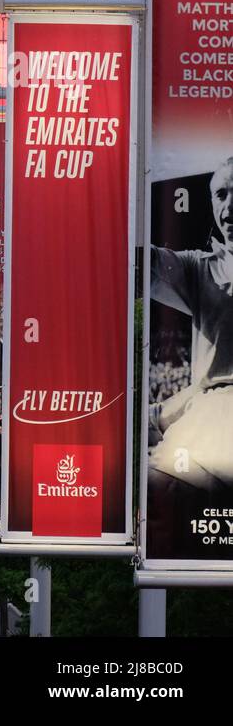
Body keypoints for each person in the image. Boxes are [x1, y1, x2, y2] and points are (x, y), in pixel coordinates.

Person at [149, 157, 233, 557]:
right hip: (213, 419)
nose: (229, 207)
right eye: (221, 194)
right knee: (159, 490)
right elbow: (137, 260)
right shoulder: (200, 269)